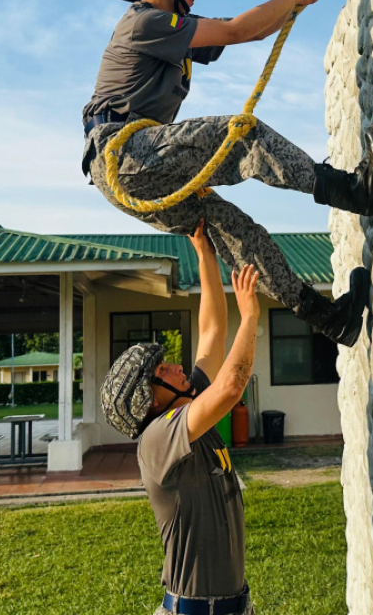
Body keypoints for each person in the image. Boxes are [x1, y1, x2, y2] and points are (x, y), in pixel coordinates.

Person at [81, 0, 373, 347]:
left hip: (122, 175)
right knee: (241, 136)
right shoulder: (145, 21)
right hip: (125, 154)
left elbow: (252, 29)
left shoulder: (168, 29)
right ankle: (357, 192)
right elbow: (238, 31)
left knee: (234, 232)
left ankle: (330, 319)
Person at [101, 223, 261, 615]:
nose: (174, 365)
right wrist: (252, 315)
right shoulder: (159, 438)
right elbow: (230, 388)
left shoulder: (190, 413)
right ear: (149, 400)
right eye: (162, 370)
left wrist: (203, 252)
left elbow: (212, 330)